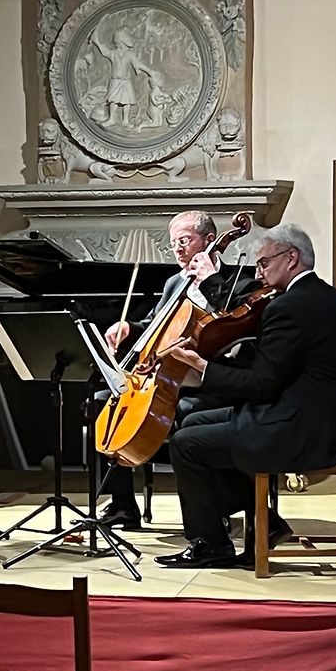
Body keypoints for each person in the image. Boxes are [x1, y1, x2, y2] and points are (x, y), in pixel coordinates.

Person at [155, 224, 336, 568]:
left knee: (186, 443)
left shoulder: (289, 307)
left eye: (264, 263)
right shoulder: (325, 296)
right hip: (324, 417)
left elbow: (263, 383)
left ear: (291, 258)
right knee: (194, 421)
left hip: (303, 427)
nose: (259, 273)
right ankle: (264, 519)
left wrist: (202, 368)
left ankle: (211, 543)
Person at [98, 210, 262, 529]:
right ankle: (122, 505)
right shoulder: (174, 282)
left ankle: (215, 510)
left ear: (209, 240)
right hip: (167, 378)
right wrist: (128, 327)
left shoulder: (239, 283)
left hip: (212, 382)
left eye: (184, 241)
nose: (178, 249)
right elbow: (155, 325)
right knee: (104, 401)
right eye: (173, 243)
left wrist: (210, 281)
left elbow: (236, 328)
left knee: (189, 412)